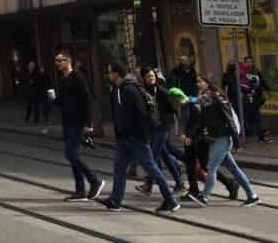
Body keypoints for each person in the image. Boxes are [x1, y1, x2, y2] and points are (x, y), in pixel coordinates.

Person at [100, 62, 179, 213]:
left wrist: (139, 135)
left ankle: (170, 200)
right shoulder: (119, 89)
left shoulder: (129, 90)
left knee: (151, 168)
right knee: (119, 168)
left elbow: (141, 114)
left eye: (110, 72)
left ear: (117, 73)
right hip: (124, 138)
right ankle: (115, 200)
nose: (108, 75)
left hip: (135, 138)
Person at [189, 75, 260, 207]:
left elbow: (230, 120)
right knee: (233, 169)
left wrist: (237, 142)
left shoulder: (217, 97)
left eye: (200, 81)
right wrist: (191, 135)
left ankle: (204, 197)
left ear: (208, 83)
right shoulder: (205, 100)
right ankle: (252, 195)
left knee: (211, 167)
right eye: (197, 82)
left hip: (223, 138)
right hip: (216, 139)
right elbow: (202, 121)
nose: (198, 84)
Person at [172, 86, 240, 204]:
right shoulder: (189, 103)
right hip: (192, 137)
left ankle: (230, 184)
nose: (198, 84)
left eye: (200, 82)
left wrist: (190, 136)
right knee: (190, 162)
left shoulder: (199, 103)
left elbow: (201, 122)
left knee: (206, 165)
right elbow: (188, 122)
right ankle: (194, 190)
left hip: (201, 138)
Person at [52, 53, 101, 201]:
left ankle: (94, 180)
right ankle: (80, 190)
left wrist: (89, 123)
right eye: (56, 61)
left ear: (68, 61)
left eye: (60, 60)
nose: (57, 63)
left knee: (70, 154)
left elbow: (87, 100)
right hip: (67, 122)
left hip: (78, 122)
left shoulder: (78, 78)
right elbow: (62, 101)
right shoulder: (62, 80)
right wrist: (52, 99)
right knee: (73, 155)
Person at [138, 67, 185, 197]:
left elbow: (173, 108)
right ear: (143, 78)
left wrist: (170, 122)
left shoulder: (162, 91)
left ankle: (148, 184)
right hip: (153, 128)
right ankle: (179, 183)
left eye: (152, 76)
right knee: (164, 156)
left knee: (153, 157)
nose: (151, 78)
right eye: (148, 76)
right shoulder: (143, 91)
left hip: (162, 128)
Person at [241, 56, 271, 144]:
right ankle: (249, 133)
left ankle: (260, 135)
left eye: (251, 62)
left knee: (257, 117)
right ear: (244, 63)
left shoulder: (256, 71)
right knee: (249, 117)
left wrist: (268, 90)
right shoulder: (242, 73)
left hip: (256, 98)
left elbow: (262, 82)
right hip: (246, 98)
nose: (249, 64)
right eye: (247, 62)